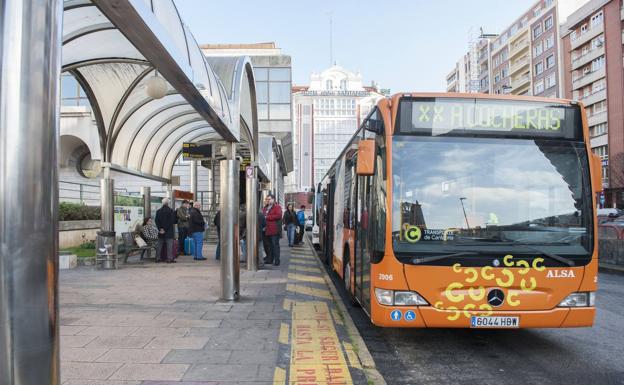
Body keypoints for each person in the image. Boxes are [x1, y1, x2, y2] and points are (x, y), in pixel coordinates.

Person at [262, 194, 282, 266]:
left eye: (269, 199)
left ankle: (277, 260)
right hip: (266, 230)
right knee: (268, 246)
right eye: (267, 199)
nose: (268, 200)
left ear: (273, 199)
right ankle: (269, 259)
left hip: (274, 230)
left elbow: (279, 215)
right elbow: (262, 216)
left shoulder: (277, 207)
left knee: (275, 245)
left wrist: (267, 217)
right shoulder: (265, 208)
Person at [155, 198, 176, 263]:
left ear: (162, 203)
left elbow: (156, 221)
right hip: (168, 232)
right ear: (168, 203)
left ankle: (158, 258)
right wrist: (165, 229)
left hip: (161, 232)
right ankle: (169, 259)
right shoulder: (171, 211)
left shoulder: (158, 211)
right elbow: (171, 221)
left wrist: (160, 229)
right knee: (169, 246)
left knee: (159, 246)